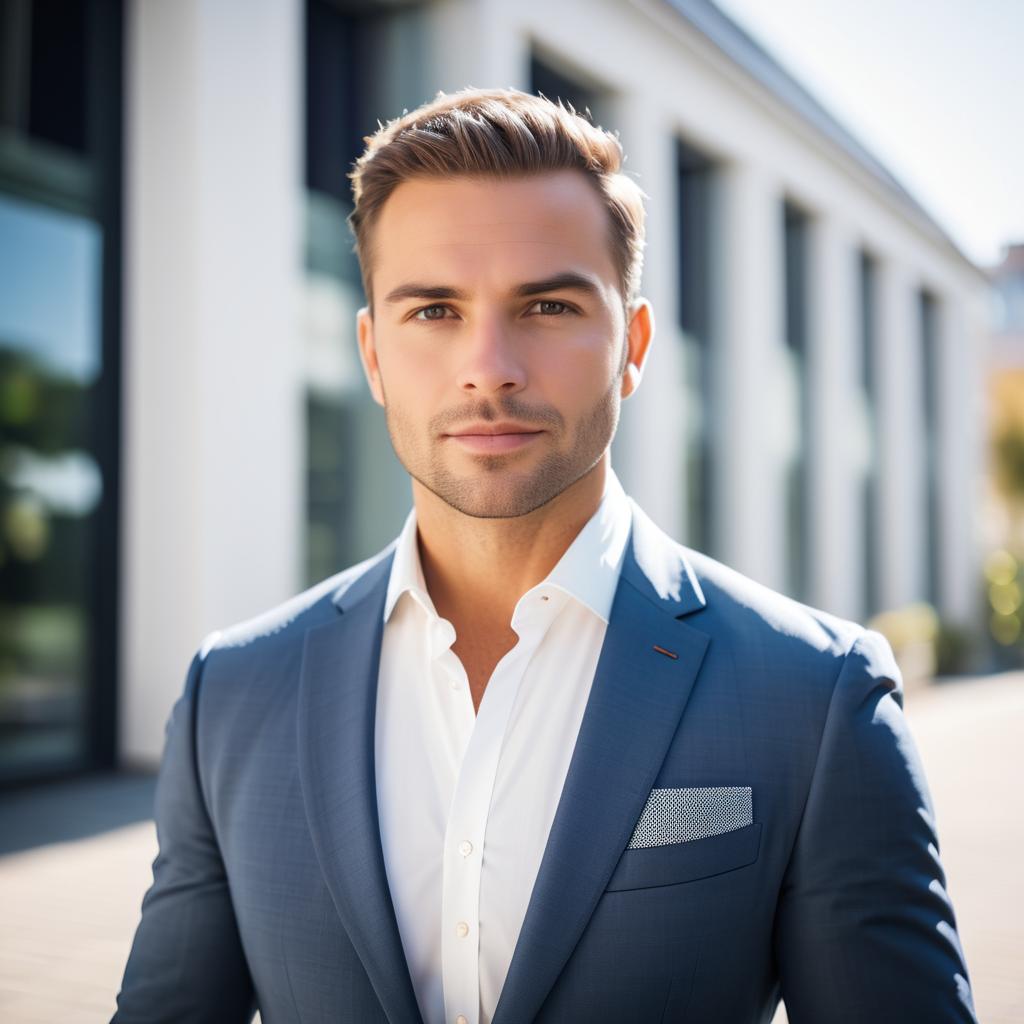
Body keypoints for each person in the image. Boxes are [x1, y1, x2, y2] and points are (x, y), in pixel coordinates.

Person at [113, 87, 976, 1024]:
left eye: (549, 305)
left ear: (634, 347)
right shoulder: (233, 694)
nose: (489, 365)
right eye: (435, 310)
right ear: (370, 354)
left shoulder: (816, 694)